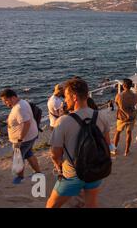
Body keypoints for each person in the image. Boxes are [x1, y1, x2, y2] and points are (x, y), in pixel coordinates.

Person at [46, 78, 111, 208]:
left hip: (72, 174)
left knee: (51, 205)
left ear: (74, 97)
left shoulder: (63, 121)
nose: (65, 100)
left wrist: (58, 166)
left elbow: (55, 153)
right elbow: (107, 144)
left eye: (66, 97)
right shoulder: (101, 116)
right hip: (95, 170)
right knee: (91, 204)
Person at [0, 89, 41, 184]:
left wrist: (19, 140)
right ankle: (38, 173)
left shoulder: (19, 108)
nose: (5, 103)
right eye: (3, 101)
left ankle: (20, 177)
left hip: (24, 139)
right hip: (30, 136)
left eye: (6, 100)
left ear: (13, 97)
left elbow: (26, 123)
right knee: (28, 154)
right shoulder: (22, 102)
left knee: (18, 158)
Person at [112, 79, 137, 157]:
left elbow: (117, 103)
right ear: (131, 86)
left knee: (118, 132)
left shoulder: (119, 95)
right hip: (131, 116)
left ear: (123, 86)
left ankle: (114, 149)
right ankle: (127, 151)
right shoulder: (134, 95)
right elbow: (135, 103)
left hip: (122, 116)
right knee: (129, 133)